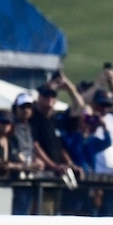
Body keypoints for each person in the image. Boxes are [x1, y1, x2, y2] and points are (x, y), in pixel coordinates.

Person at [30, 74, 85, 214]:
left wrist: (70, 164)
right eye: (46, 95)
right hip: (41, 177)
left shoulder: (55, 119)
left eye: (53, 96)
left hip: (56, 177)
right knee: (43, 215)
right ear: (39, 97)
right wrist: (54, 166)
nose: (49, 99)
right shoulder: (34, 117)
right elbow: (36, 146)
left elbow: (80, 106)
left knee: (54, 214)